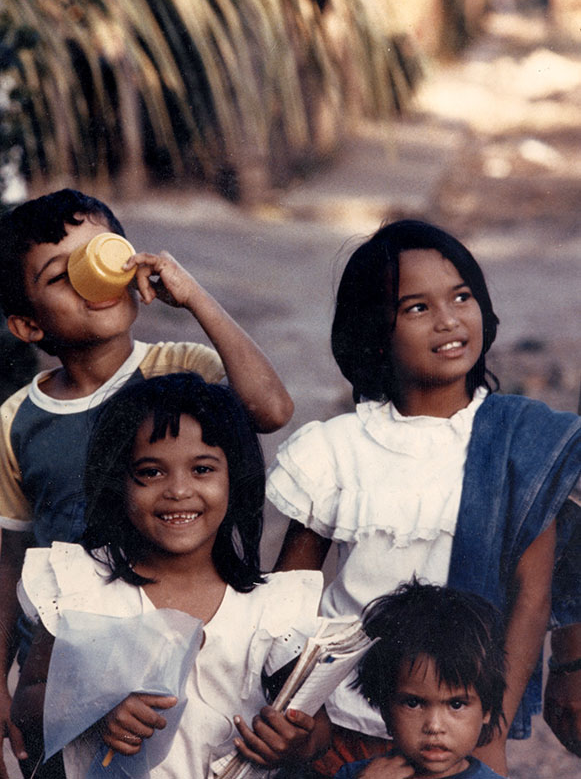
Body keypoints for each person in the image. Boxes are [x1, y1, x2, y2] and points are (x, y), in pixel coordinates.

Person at [266, 219, 581, 776]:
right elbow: (288, 602)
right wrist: (299, 721)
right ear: (374, 330)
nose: (448, 320)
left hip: (459, 736)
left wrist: (492, 735)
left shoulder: (522, 441)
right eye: (416, 308)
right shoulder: (337, 448)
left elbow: (531, 602)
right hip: (340, 730)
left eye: (461, 297)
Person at [0, 188, 294, 777]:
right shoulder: (16, 422)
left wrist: (194, 298)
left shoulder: (184, 370)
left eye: (103, 255)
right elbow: (9, 561)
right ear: (29, 324)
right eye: (64, 276)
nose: (94, 282)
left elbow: (270, 408)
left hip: (180, 628)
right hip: (67, 654)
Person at [11, 373, 329, 778]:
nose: (178, 490)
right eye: (151, 472)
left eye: (202, 469)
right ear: (118, 482)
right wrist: (90, 707)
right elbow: (28, 699)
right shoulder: (82, 586)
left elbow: (318, 729)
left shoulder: (269, 606)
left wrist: (296, 742)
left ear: (236, 479)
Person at [336, 580, 506, 779]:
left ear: (487, 710)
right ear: (385, 709)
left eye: (456, 704)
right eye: (413, 703)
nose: (434, 726)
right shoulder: (358, 775)